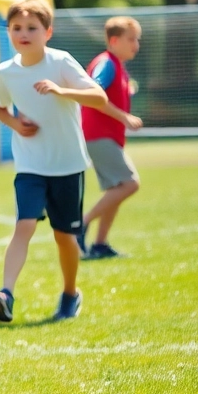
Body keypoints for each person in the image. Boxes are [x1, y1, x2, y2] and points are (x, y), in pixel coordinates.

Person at [0, 0, 112, 323]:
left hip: (67, 165)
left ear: (48, 32)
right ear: (8, 32)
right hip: (30, 164)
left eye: (31, 28)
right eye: (16, 28)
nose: (23, 33)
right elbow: (0, 107)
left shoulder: (61, 62)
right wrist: (15, 124)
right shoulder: (6, 71)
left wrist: (61, 90)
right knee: (24, 224)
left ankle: (71, 294)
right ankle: (5, 294)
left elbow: (99, 96)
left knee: (64, 237)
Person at [81, 16, 145, 259]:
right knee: (130, 183)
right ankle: (82, 224)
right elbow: (93, 92)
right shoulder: (106, 63)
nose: (136, 44)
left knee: (117, 188)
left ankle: (100, 244)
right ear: (115, 40)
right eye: (131, 39)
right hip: (98, 135)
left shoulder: (117, 65)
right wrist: (125, 117)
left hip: (107, 136)